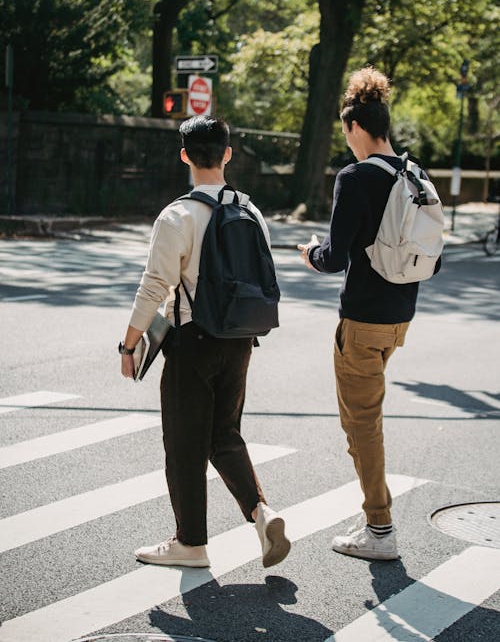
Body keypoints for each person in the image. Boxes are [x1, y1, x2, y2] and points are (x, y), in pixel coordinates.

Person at [119, 115, 290, 569]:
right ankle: (261, 512)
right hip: (240, 341)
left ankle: (190, 543)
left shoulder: (178, 215)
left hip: (192, 341)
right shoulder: (251, 212)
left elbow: (155, 286)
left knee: (183, 444)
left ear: (184, 156)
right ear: (228, 154)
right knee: (224, 435)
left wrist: (129, 344)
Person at [298, 67, 440, 560]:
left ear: (356, 126)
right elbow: (431, 255)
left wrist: (310, 253)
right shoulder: (412, 173)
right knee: (366, 418)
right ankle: (374, 522)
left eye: (345, 131)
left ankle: (380, 530)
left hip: (360, 320)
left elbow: (336, 256)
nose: (347, 141)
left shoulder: (354, 177)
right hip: (400, 315)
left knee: (361, 424)